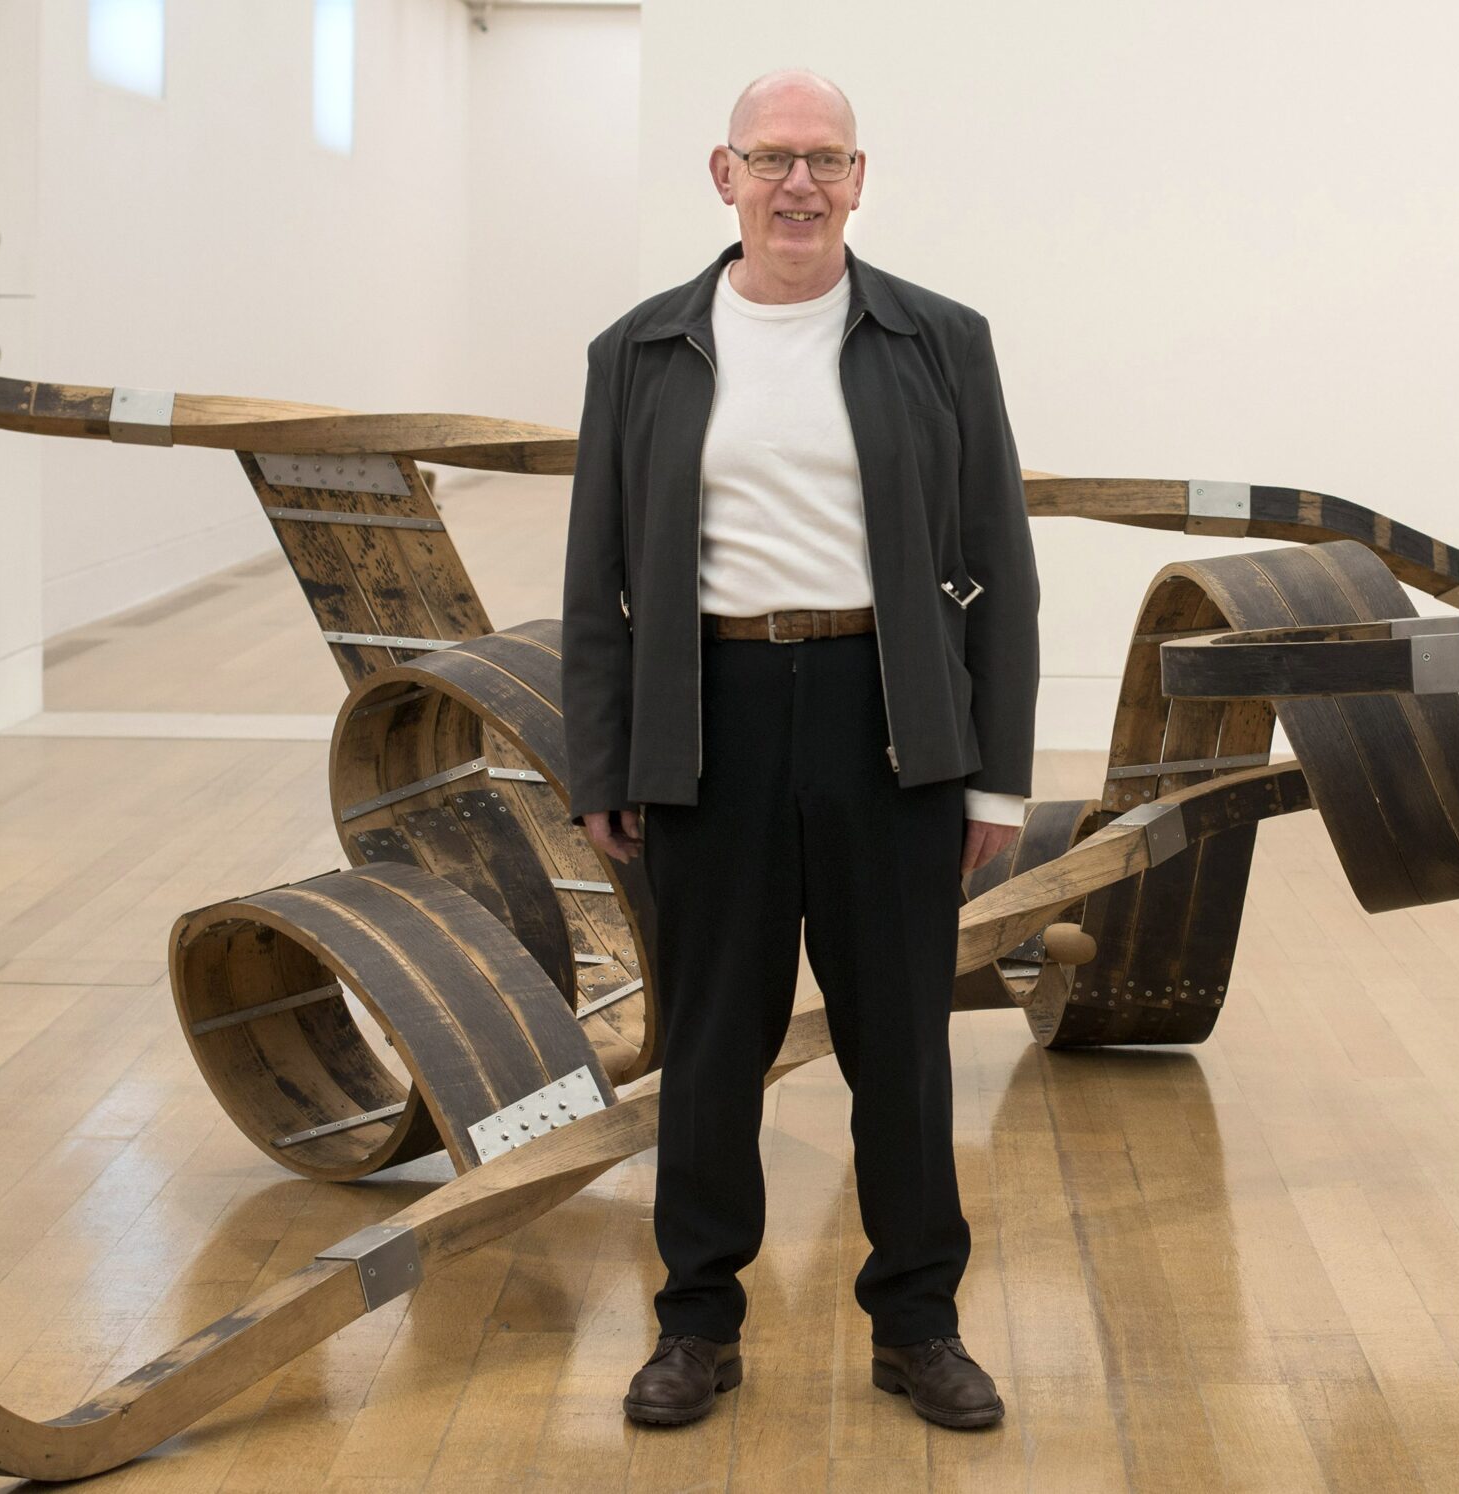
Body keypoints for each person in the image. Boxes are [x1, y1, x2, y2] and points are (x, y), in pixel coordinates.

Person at [559, 67, 1040, 1431]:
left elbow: (1000, 566)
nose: (799, 184)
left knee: (901, 1041)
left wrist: (993, 770)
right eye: (772, 157)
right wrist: (604, 760)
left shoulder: (940, 340)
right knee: (713, 1040)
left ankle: (917, 1322)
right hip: (707, 721)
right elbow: (596, 580)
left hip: (889, 720)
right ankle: (697, 1323)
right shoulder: (642, 350)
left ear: (859, 178)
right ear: (725, 176)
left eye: (825, 159)